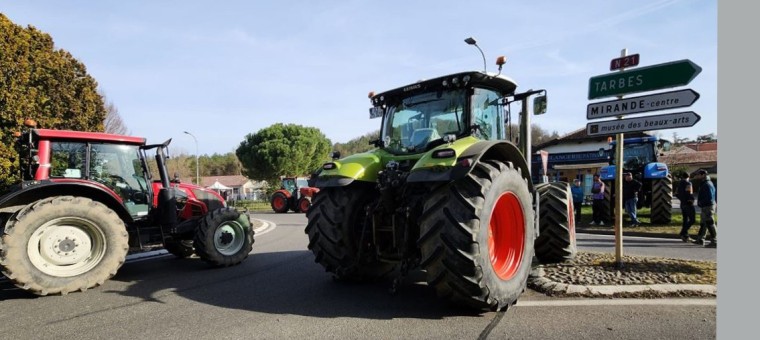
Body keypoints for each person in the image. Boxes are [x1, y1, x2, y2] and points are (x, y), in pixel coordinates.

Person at [693, 169, 717, 247]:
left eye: (698, 175)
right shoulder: (705, 183)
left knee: (710, 223)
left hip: (708, 206)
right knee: (703, 223)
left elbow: (709, 197)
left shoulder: (707, 184)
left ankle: (715, 241)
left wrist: (701, 203)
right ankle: (700, 239)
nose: (697, 176)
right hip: (705, 205)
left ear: (703, 175)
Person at [677, 173, 696, 242]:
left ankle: (685, 235)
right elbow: (689, 193)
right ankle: (683, 232)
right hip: (688, 204)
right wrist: (691, 200)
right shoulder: (688, 183)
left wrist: (682, 199)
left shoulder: (679, 184)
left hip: (682, 204)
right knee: (692, 220)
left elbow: (676, 194)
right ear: (689, 176)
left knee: (685, 220)